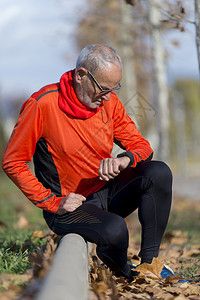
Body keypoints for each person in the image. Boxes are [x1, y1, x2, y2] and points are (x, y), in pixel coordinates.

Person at [2, 44, 173, 280]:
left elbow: (143, 147)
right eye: (103, 89)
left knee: (159, 172)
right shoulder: (41, 104)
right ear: (81, 75)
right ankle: (127, 274)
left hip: (106, 193)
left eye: (114, 89)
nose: (108, 97)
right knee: (116, 230)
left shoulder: (109, 102)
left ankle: (149, 265)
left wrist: (124, 159)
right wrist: (53, 203)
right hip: (69, 207)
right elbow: (13, 162)